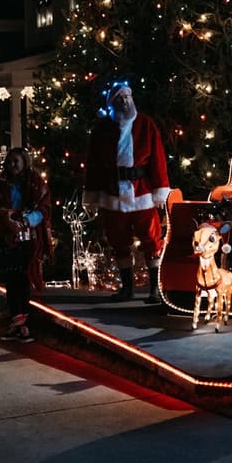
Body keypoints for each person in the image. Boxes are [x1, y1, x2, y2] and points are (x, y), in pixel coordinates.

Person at [82, 81, 171, 303]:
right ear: (112, 103)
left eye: (127, 97)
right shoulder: (102, 129)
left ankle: (155, 289)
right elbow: (93, 164)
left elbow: (158, 160)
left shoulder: (146, 124)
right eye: (119, 99)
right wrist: (92, 194)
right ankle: (127, 288)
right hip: (112, 193)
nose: (124, 102)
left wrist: (160, 191)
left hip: (142, 193)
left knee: (152, 239)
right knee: (118, 240)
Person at [0, 147, 53, 342]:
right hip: (9, 237)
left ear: (24, 162)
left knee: (24, 278)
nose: (12, 165)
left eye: (15, 161)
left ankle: (23, 324)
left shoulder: (35, 182)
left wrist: (27, 220)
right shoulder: (1, 183)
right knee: (11, 279)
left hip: (30, 236)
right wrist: (8, 220)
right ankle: (16, 322)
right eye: (9, 161)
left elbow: (44, 207)